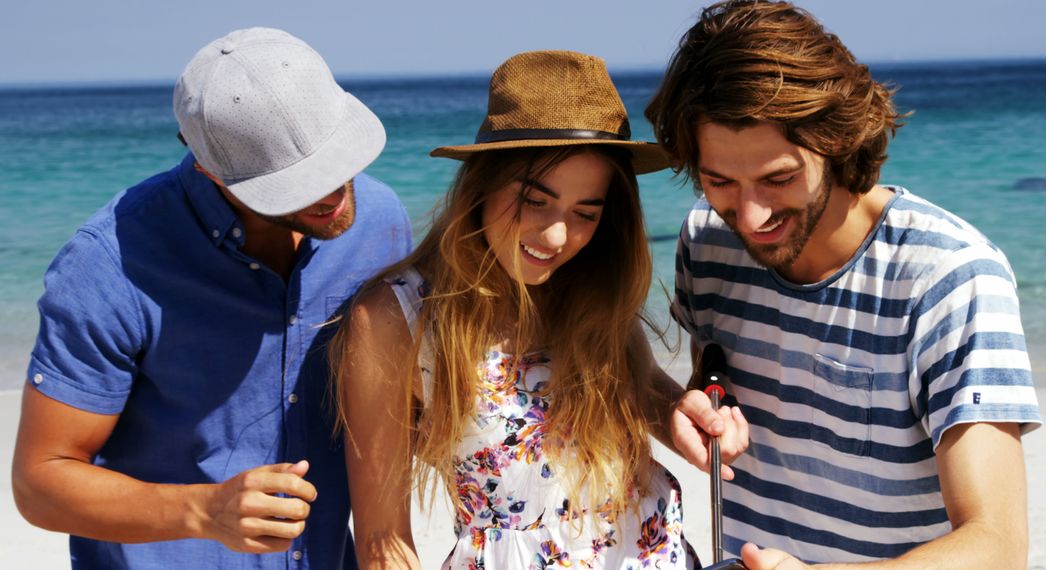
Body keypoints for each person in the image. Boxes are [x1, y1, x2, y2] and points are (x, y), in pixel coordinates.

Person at [645, 2, 1043, 568]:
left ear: (837, 141)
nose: (751, 216)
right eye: (719, 181)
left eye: (777, 179)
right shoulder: (707, 241)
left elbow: (998, 546)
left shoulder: (951, 278)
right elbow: (714, 375)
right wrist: (698, 405)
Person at [331, 50, 749, 569]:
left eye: (585, 213)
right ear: (483, 183)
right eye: (534, 200)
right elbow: (383, 543)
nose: (557, 237)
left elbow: (634, 386)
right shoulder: (397, 316)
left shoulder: (588, 284)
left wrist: (678, 415)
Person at [11, 27, 411, 568]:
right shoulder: (108, 264)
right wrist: (205, 510)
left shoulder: (381, 225)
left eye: (336, 158)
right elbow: (40, 482)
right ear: (207, 166)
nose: (332, 192)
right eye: (295, 180)